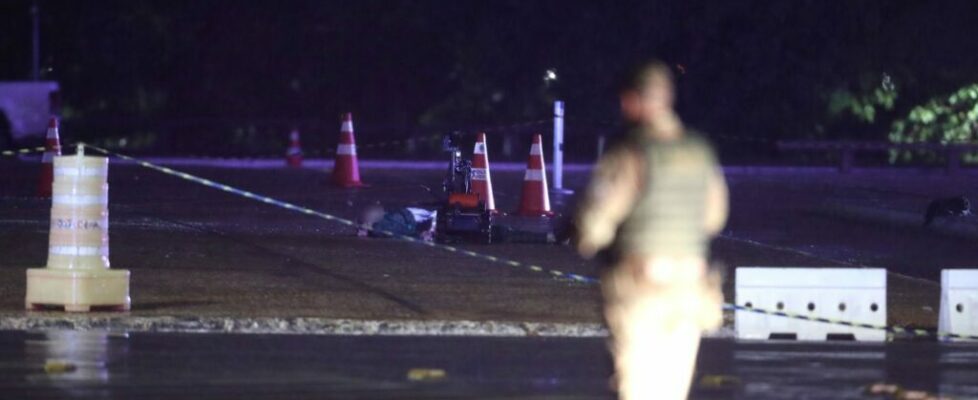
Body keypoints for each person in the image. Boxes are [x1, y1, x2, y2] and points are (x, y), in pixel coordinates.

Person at [575, 61, 728, 400]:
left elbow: (593, 226)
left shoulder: (631, 152)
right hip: (691, 289)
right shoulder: (699, 151)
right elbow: (714, 218)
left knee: (637, 389)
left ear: (631, 100)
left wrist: (582, 235)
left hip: (642, 290)